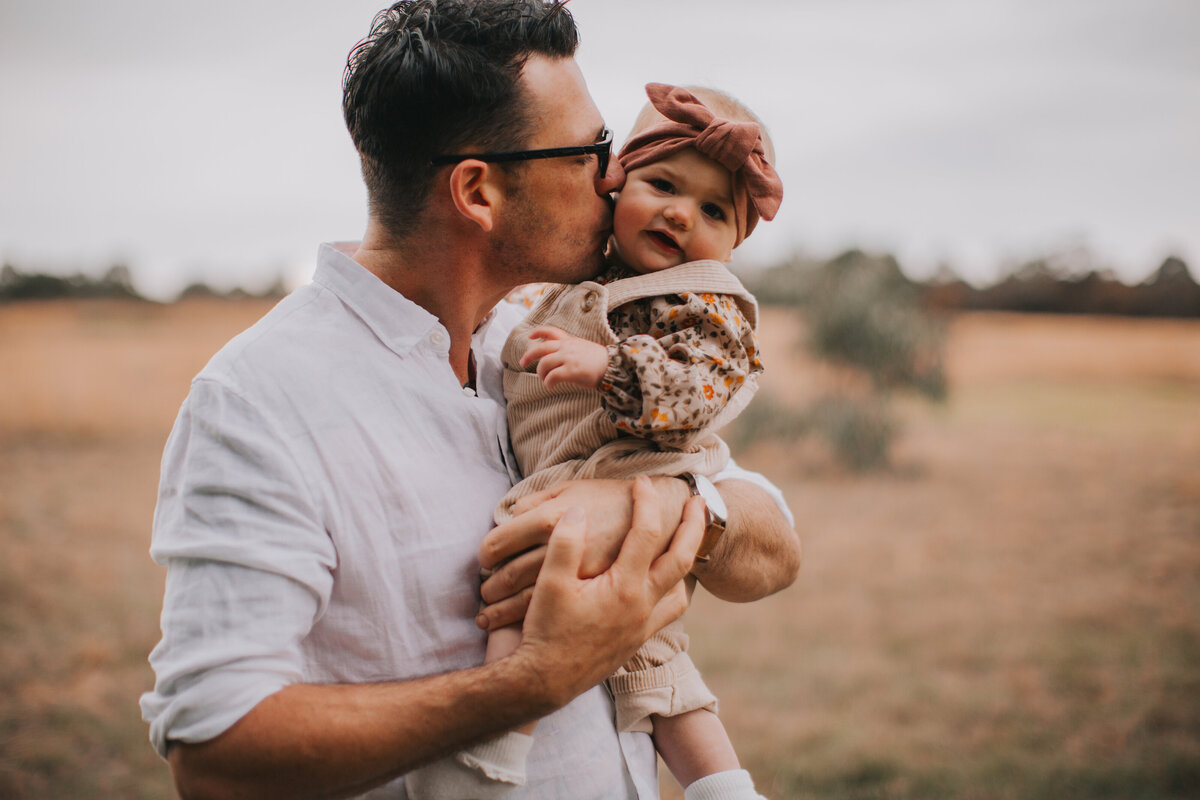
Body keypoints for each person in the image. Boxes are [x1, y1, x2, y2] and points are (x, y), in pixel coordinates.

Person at [139, 2, 801, 798]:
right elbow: (216, 761)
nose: (614, 176)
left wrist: (652, 504)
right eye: (593, 152)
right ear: (478, 192)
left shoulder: (542, 332)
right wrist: (531, 681)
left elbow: (772, 541)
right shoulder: (258, 403)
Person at [406, 83, 783, 800]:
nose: (680, 213)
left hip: (624, 477)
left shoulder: (705, 302)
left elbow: (703, 388)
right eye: (663, 184)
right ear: (616, 184)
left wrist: (608, 366)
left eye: (712, 210)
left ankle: (488, 755)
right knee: (655, 664)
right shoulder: (592, 280)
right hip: (596, 478)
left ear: (733, 245)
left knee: (521, 593)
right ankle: (724, 788)